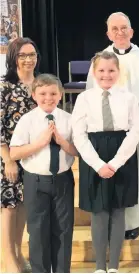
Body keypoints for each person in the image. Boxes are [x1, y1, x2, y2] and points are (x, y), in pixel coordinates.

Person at [86, 12, 139, 239]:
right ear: (108, 33)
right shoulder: (99, 60)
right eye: (114, 29)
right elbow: (91, 93)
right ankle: (109, 222)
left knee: (133, 176)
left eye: (124, 28)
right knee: (109, 175)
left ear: (131, 31)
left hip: (134, 129)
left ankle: (133, 222)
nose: (120, 32)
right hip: (106, 132)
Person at [72, 51, 139, 273]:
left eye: (111, 70)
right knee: (99, 212)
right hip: (94, 155)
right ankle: (100, 266)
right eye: (101, 70)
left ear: (118, 72)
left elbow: (136, 131)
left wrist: (116, 162)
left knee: (118, 210)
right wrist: (98, 164)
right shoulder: (84, 99)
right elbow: (78, 134)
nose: (106, 75)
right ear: (94, 72)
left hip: (122, 155)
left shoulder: (129, 98)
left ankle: (114, 266)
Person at [9, 74, 77, 273]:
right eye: (43, 93)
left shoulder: (68, 119)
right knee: (37, 231)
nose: (48, 98)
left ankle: (62, 270)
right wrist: (40, 143)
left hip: (63, 180)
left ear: (60, 94)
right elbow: (14, 152)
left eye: (53, 93)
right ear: (34, 95)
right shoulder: (27, 121)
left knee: (63, 230)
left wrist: (61, 141)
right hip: (35, 181)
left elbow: (77, 151)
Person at [0, 37, 39, 273]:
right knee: (9, 207)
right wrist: (7, 159)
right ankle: (7, 260)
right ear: (13, 58)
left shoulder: (39, 85)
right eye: (23, 55)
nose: (28, 60)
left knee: (23, 205)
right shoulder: (4, 86)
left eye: (32, 55)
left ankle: (18, 252)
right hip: (8, 158)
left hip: (31, 157)